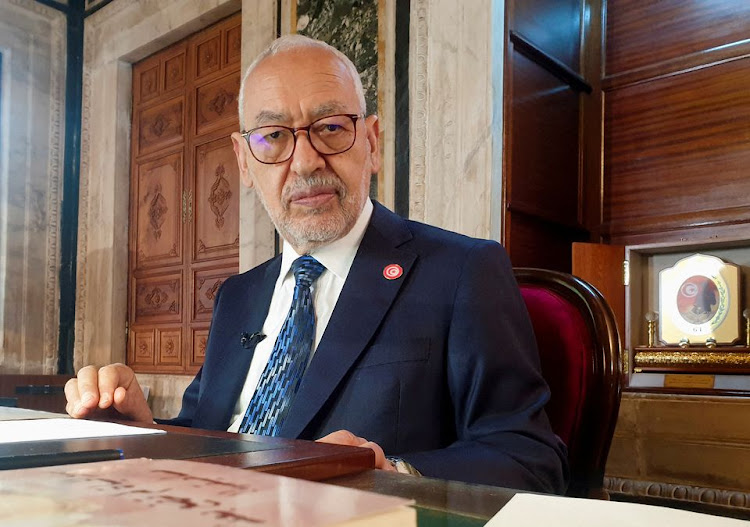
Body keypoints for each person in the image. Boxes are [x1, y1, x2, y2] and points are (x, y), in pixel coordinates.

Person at [65, 34, 568, 492]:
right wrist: (143, 430)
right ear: (243, 161)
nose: (305, 162)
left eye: (330, 128)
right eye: (274, 137)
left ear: (370, 143)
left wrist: (393, 473)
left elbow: (530, 458)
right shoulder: (237, 295)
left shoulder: (461, 271)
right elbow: (210, 432)